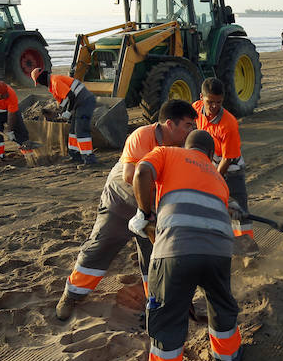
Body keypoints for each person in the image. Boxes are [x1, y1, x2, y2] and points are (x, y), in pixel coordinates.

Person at [55, 100, 197, 320]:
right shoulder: (142, 136)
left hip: (152, 208)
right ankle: (72, 295)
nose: (192, 130)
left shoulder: (182, 147)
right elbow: (131, 176)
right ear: (170, 124)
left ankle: (157, 303)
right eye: (188, 125)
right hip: (120, 202)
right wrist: (145, 211)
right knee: (100, 245)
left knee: (156, 257)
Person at [131, 129, 244, 361]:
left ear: (186, 146)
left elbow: (140, 174)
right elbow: (228, 210)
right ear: (210, 155)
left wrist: (144, 214)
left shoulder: (167, 152)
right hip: (218, 252)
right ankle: (228, 359)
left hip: (176, 248)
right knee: (220, 303)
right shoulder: (218, 177)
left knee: (168, 314)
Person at [192, 78, 256, 251]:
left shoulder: (228, 124)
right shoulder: (196, 109)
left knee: (239, 209)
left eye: (218, 102)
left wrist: (215, 180)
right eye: (210, 102)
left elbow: (228, 159)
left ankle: (248, 249)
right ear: (201, 98)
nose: (214, 106)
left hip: (231, 169)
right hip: (210, 164)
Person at [30, 68, 98, 164]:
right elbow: (64, 102)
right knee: (73, 131)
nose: (40, 84)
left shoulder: (55, 82)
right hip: (79, 103)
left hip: (85, 102)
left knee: (81, 130)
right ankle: (75, 156)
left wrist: (68, 112)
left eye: (39, 82)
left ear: (42, 78)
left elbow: (71, 97)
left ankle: (89, 159)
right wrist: (61, 113)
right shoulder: (52, 86)